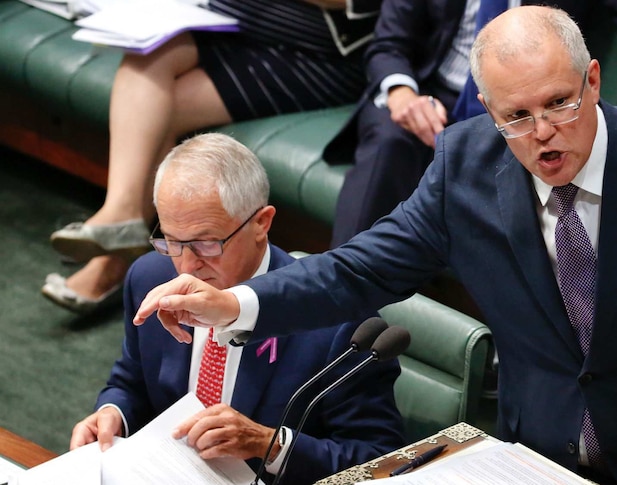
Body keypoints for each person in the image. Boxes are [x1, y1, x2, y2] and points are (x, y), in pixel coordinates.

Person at [135, 7, 617, 483]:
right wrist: (233, 301)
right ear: (485, 108)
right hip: (538, 457)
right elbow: (358, 269)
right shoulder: (466, 163)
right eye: (516, 115)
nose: (543, 134)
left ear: (595, 80)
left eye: (560, 103)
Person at [69, 133, 404, 484]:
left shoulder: (339, 327)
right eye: (171, 240)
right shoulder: (149, 278)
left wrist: (267, 444)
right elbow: (131, 379)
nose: (185, 267)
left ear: (262, 223)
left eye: (206, 244)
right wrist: (113, 413)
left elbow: (378, 465)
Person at [41, 0, 382, 314]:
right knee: (147, 57)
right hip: (229, 20)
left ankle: (110, 261)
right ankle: (121, 213)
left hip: (317, 51)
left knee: (158, 115)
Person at [326, 0, 617, 246]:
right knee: (388, 141)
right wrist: (402, 93)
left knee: (542, 147)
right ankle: (337, 323)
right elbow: (388, 44)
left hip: (526, 105)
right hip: (435, 95)